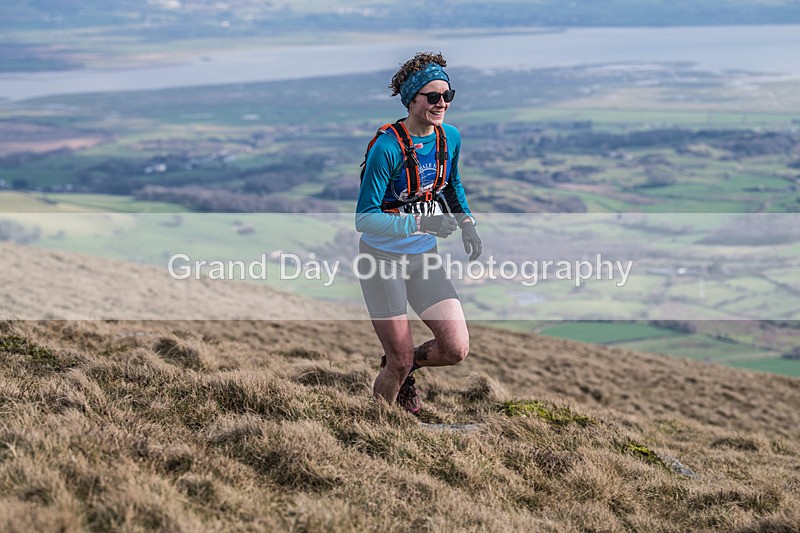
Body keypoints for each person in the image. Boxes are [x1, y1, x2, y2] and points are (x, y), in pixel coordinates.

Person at [355, 52, 482, 415]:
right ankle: (375, 428)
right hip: (382, 261)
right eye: (432, 96)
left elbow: (451, 183)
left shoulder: (449, 138)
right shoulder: (387, 148)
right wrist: (423, 224)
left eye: (447, 95)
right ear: (412, 100)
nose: (442, 103)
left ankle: (408, 366)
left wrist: (467, 223)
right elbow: (364, 219)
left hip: (423, 257)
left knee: (455, 348)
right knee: (397, 361)